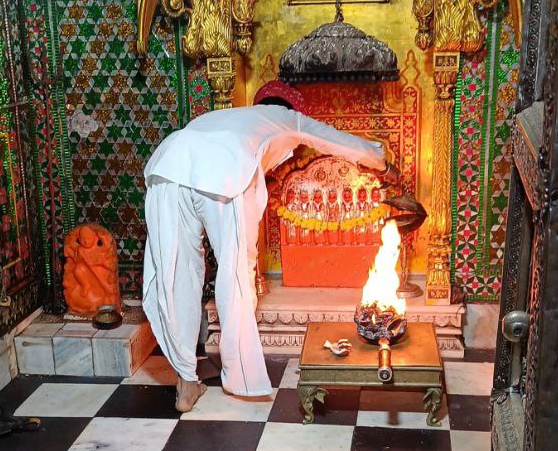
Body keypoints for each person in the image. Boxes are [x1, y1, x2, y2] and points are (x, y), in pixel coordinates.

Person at [143, 90, 398, 412]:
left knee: (177, 274)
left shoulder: (232, 117)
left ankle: (185, 381)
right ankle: (239, 377)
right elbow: (332, 139)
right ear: (289, 109)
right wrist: (381, 163)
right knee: (236, 274)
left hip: (166, 168)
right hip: (223, 174)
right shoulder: (286, 118)